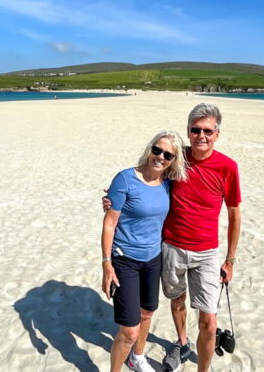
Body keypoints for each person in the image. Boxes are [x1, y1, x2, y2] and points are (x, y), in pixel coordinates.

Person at [104, 103, 242, 372]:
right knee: (176, 301)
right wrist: (113, 199)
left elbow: (235, 214)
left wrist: (231, 259)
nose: (201, 135)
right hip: (170, 249)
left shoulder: (228, 167)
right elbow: (147, 178)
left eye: (207, 131)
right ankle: (181, 342)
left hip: (207, 252)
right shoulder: (175, 159)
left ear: (217, 134)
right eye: (195, 130)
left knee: (209, 321)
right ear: (188, 132)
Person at [101, 130, 189, 372]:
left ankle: (137, 357)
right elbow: (109, 223)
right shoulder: (125, 179)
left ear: (174, 160)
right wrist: (106, 263)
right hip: (124, 259)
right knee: (129, 330)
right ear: (149, 149)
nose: (160, 157)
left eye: (168, 155)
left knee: (147, 313)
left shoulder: (169, 183)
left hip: (153, 259)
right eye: (157, 150)